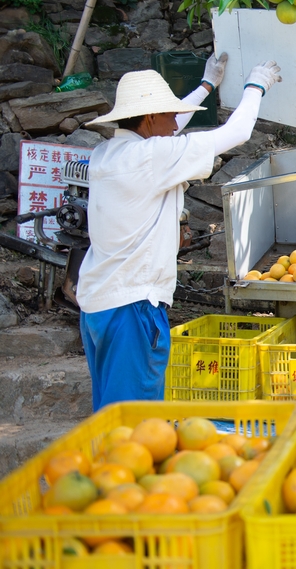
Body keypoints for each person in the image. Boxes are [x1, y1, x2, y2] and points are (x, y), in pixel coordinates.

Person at [79, 55, 282, 411]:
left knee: (110, 416)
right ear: (149, 118)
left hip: (99, 305)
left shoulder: (107, 154)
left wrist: (207, 85)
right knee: (134, 423)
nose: (177, 124)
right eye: (171, 114)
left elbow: (168, 130)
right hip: (133, 308)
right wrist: (257, 84)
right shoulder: (150, 157)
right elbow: (237, 133)